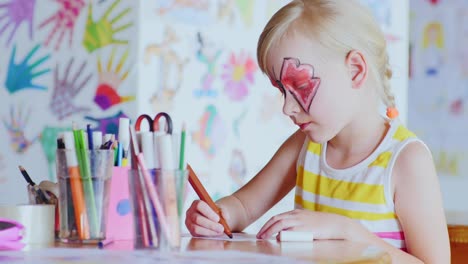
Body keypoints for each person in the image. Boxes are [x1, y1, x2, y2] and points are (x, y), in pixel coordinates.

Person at [185, 0, 450, 263]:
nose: (287, 108)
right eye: (281, 91)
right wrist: (216, 217)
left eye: (299, 86)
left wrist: (346, 232)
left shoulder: (406, 161)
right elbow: (242, 207)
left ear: (355, 70)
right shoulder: (304, 146)